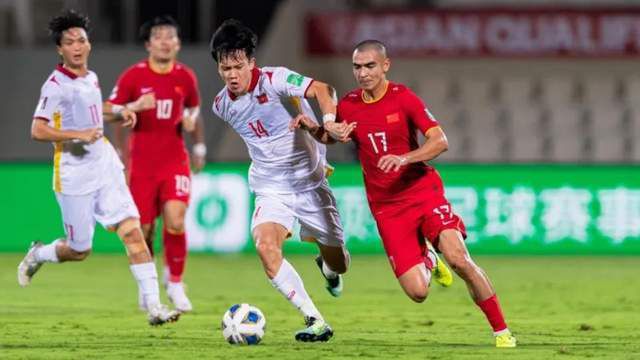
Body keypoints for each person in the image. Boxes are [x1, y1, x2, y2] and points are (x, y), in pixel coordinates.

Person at [291, 39, 517, 348]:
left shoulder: (404, 98)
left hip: (422, 192)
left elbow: (440, 140)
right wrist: (313, 128)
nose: (363, 73)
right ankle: (428, 259)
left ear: (385, 66)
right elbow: (334, 137)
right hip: (387, 207)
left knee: (460, 259)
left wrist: (405, 158)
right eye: (357, 67)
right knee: (418, 293)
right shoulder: (349, 104)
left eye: (370, 66)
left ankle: (502, 332)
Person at [17, 9, 180, 326]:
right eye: (70, 42)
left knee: (133, 232)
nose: (77, 46)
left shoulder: (90, 77)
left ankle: (155, 307)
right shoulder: (55, 86)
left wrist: (122, 110)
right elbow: (37, 130)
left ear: (89, 44)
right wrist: (76, 134)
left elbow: (94, 111)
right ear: (60, 50)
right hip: (73, 175)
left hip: (105, 166)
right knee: (79, 250)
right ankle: (38, 254)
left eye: (82, 40)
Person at [209, 19, 350, 342]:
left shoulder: (276, 79)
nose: (231, 74)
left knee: (339, 264)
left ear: (251, 63)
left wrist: (326, 122)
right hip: (271, 188)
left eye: (238, 66)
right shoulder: (221, 105)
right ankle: (315, 319)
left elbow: (323, 89)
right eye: (224, 67)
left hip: (311, 185)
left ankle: (327, 269)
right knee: (265, 246)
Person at [104, 15, 204, 313]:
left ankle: (175, 282)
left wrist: (197, 141)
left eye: (170, 36)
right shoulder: (133, 77)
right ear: (148, 44)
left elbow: (194, 110)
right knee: (144, 229)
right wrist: (122, 151)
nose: (165, 41)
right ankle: (147, 286)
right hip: (142, 163)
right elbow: (111, 112)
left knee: (175, 219)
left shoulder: (185, 77)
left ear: (178, 43)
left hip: (174, 159)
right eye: (158, 36)